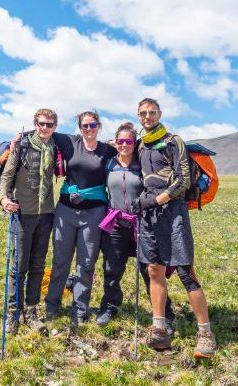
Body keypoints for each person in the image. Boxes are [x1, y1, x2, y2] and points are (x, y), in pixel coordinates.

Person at [131, 97, 217, 358]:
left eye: (152, 112)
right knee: (154, 269)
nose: (148, 117)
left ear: (159, 114)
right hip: (150, 214)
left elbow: (183, 180)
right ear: (138, 116)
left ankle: (205, 334)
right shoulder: (140, 145)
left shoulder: (173, 141)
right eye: (143, 113)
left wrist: (156, 200)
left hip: (172, 211)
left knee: (185, 271)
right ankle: (159, 329)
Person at [97, 122, 175, 330]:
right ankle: (109, 306)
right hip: (115, 222)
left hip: (142, 223)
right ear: (116, 142)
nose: (124, 145)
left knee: (149, 270)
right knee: (112, 268)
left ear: (135, 143)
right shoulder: (108, 163)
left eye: (128, 141)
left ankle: (164, 314)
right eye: (120, 141)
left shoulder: (143, 163)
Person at [44, 111, 117, 331]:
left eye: (92, 125)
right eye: (84, 126)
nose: (88, 129)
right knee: (60, 261)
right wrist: (17, 141)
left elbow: (130, 150)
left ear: (99, 126)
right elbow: (45, 131)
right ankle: (52, 305)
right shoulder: (70, 142)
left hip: (94, 213)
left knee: (86, 264)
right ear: (79, 127)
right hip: (66, 211)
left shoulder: (108, 150)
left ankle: (80, 308)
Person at [0, 108, 59, 334]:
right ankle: (13, 313)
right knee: (19, 267)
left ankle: (31, 311)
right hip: (23, 213)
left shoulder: (56, 146)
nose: (45, 128)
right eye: (41, 123)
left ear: (55, 126)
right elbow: (7, 175)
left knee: (38, 265)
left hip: (46, 215)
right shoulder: (22, 146)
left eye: (49, 124)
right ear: (35, 124)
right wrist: (4, 198)